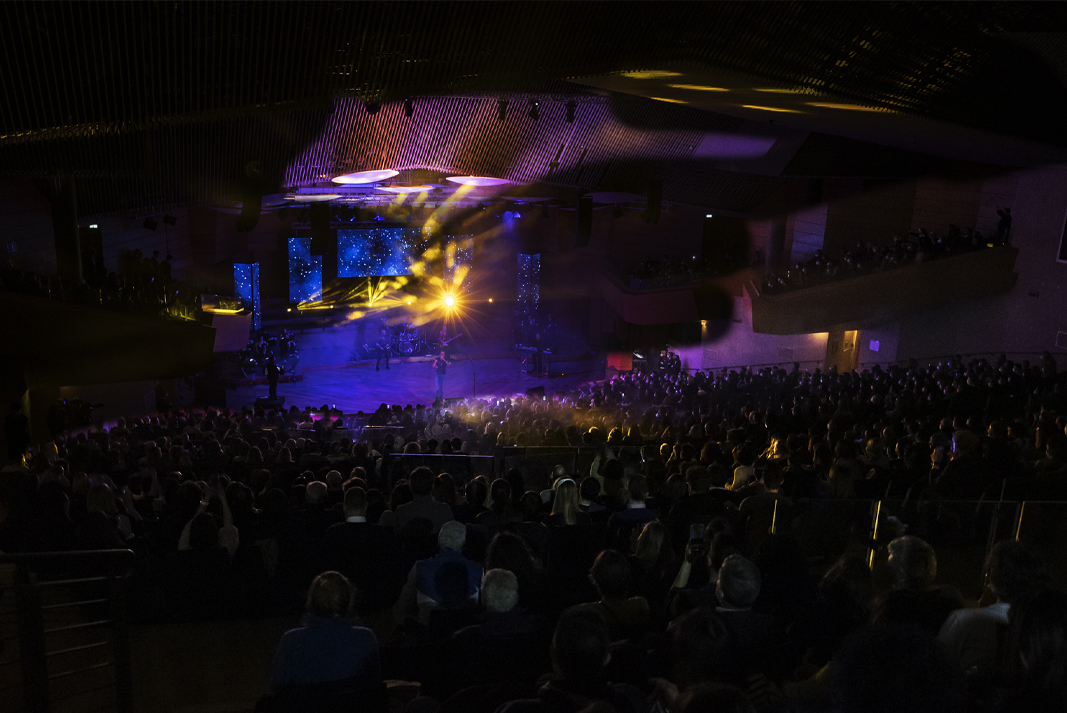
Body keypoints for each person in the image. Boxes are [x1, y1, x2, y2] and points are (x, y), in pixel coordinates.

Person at [269, 571, 381, 692]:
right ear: (349, 600)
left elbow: (277, 690)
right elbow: (374, 685)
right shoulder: (366, 639)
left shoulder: (291, 641)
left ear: (310, 600)